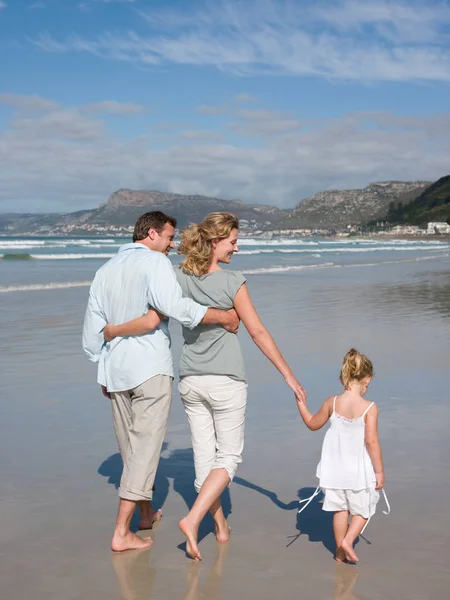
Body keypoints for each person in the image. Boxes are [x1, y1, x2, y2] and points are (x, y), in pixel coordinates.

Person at [106, 212, 306, 560]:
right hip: (226, 381)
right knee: (228, 458)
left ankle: (221, 528)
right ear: (215, 242)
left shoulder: (179, 278)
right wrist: (287, 374)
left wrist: (112, 345)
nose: (237, 248)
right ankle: (194, 519)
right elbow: (257, 331)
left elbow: (152, 319)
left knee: (204, 463)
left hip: (190, 381)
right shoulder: (232, 281)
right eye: (232, 242)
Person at [82, 211, 240, 553]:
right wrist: (222, 316)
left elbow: (92, 330)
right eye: (169, 237)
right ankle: (121, 532)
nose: (171, 245)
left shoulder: (105, 270)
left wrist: (101, 367)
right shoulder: (155, 264)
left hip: (115, 371)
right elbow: (177, 307)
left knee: (130, 446)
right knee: (145, 448)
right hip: (150, 368)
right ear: (151, 234)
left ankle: (146, 514)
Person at [296, 348, 385, 563]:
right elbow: (371, 441)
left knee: (339, 510)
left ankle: (339, 553)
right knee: (365, 508)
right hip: (357, 470)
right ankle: (348, 541)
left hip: (333, 470)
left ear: (342, 377)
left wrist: (301, 404)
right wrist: (379, 471)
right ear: (367, 379)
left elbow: (312, 424)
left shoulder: (332, 403)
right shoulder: (369, 407)